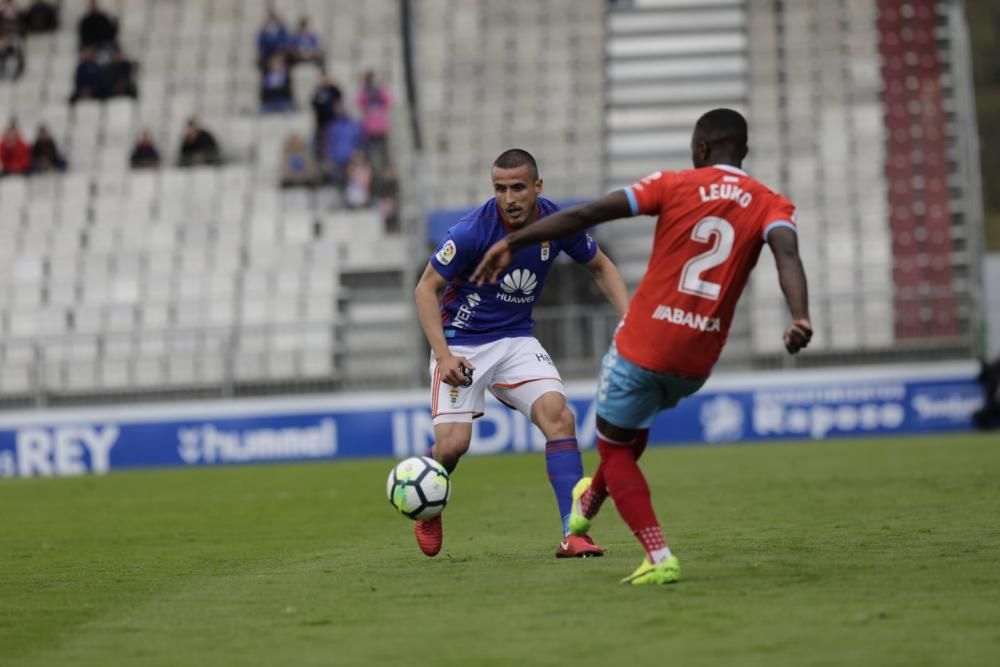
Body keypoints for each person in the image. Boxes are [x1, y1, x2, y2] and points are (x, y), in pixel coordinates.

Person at [472, 109, 813, 585]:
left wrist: (519, 239)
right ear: (745, 152)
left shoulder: (673, 184)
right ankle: (587, 505)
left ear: (699, 150)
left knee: (614, 451)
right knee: (634, 429)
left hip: (646, 343)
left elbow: (592, 212)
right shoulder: (770, 202)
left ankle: (658, 555)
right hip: (697, 358)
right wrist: (799, 316)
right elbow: (788, 254)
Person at [412, 148, 630, 559]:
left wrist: (630, 319)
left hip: (515, 339)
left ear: (537, 187)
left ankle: (574, 533)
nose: (508, 198)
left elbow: (601, 265)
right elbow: (424, 289)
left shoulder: (557, 221)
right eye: (499, 188)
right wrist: (443, 356)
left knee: (559, 416)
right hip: (460, 343)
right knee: (453, 446)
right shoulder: (470, 232)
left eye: (517, 188)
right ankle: (427, 492)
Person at [356, 70, 392, 172]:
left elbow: (388, 101)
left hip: (380, 126)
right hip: (369, 127)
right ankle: (371, 169)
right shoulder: (364, 91)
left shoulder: (380, 90)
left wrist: (380, 91)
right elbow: (359, 102)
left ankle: (386, 168)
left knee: (383, 150)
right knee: (370, 151)